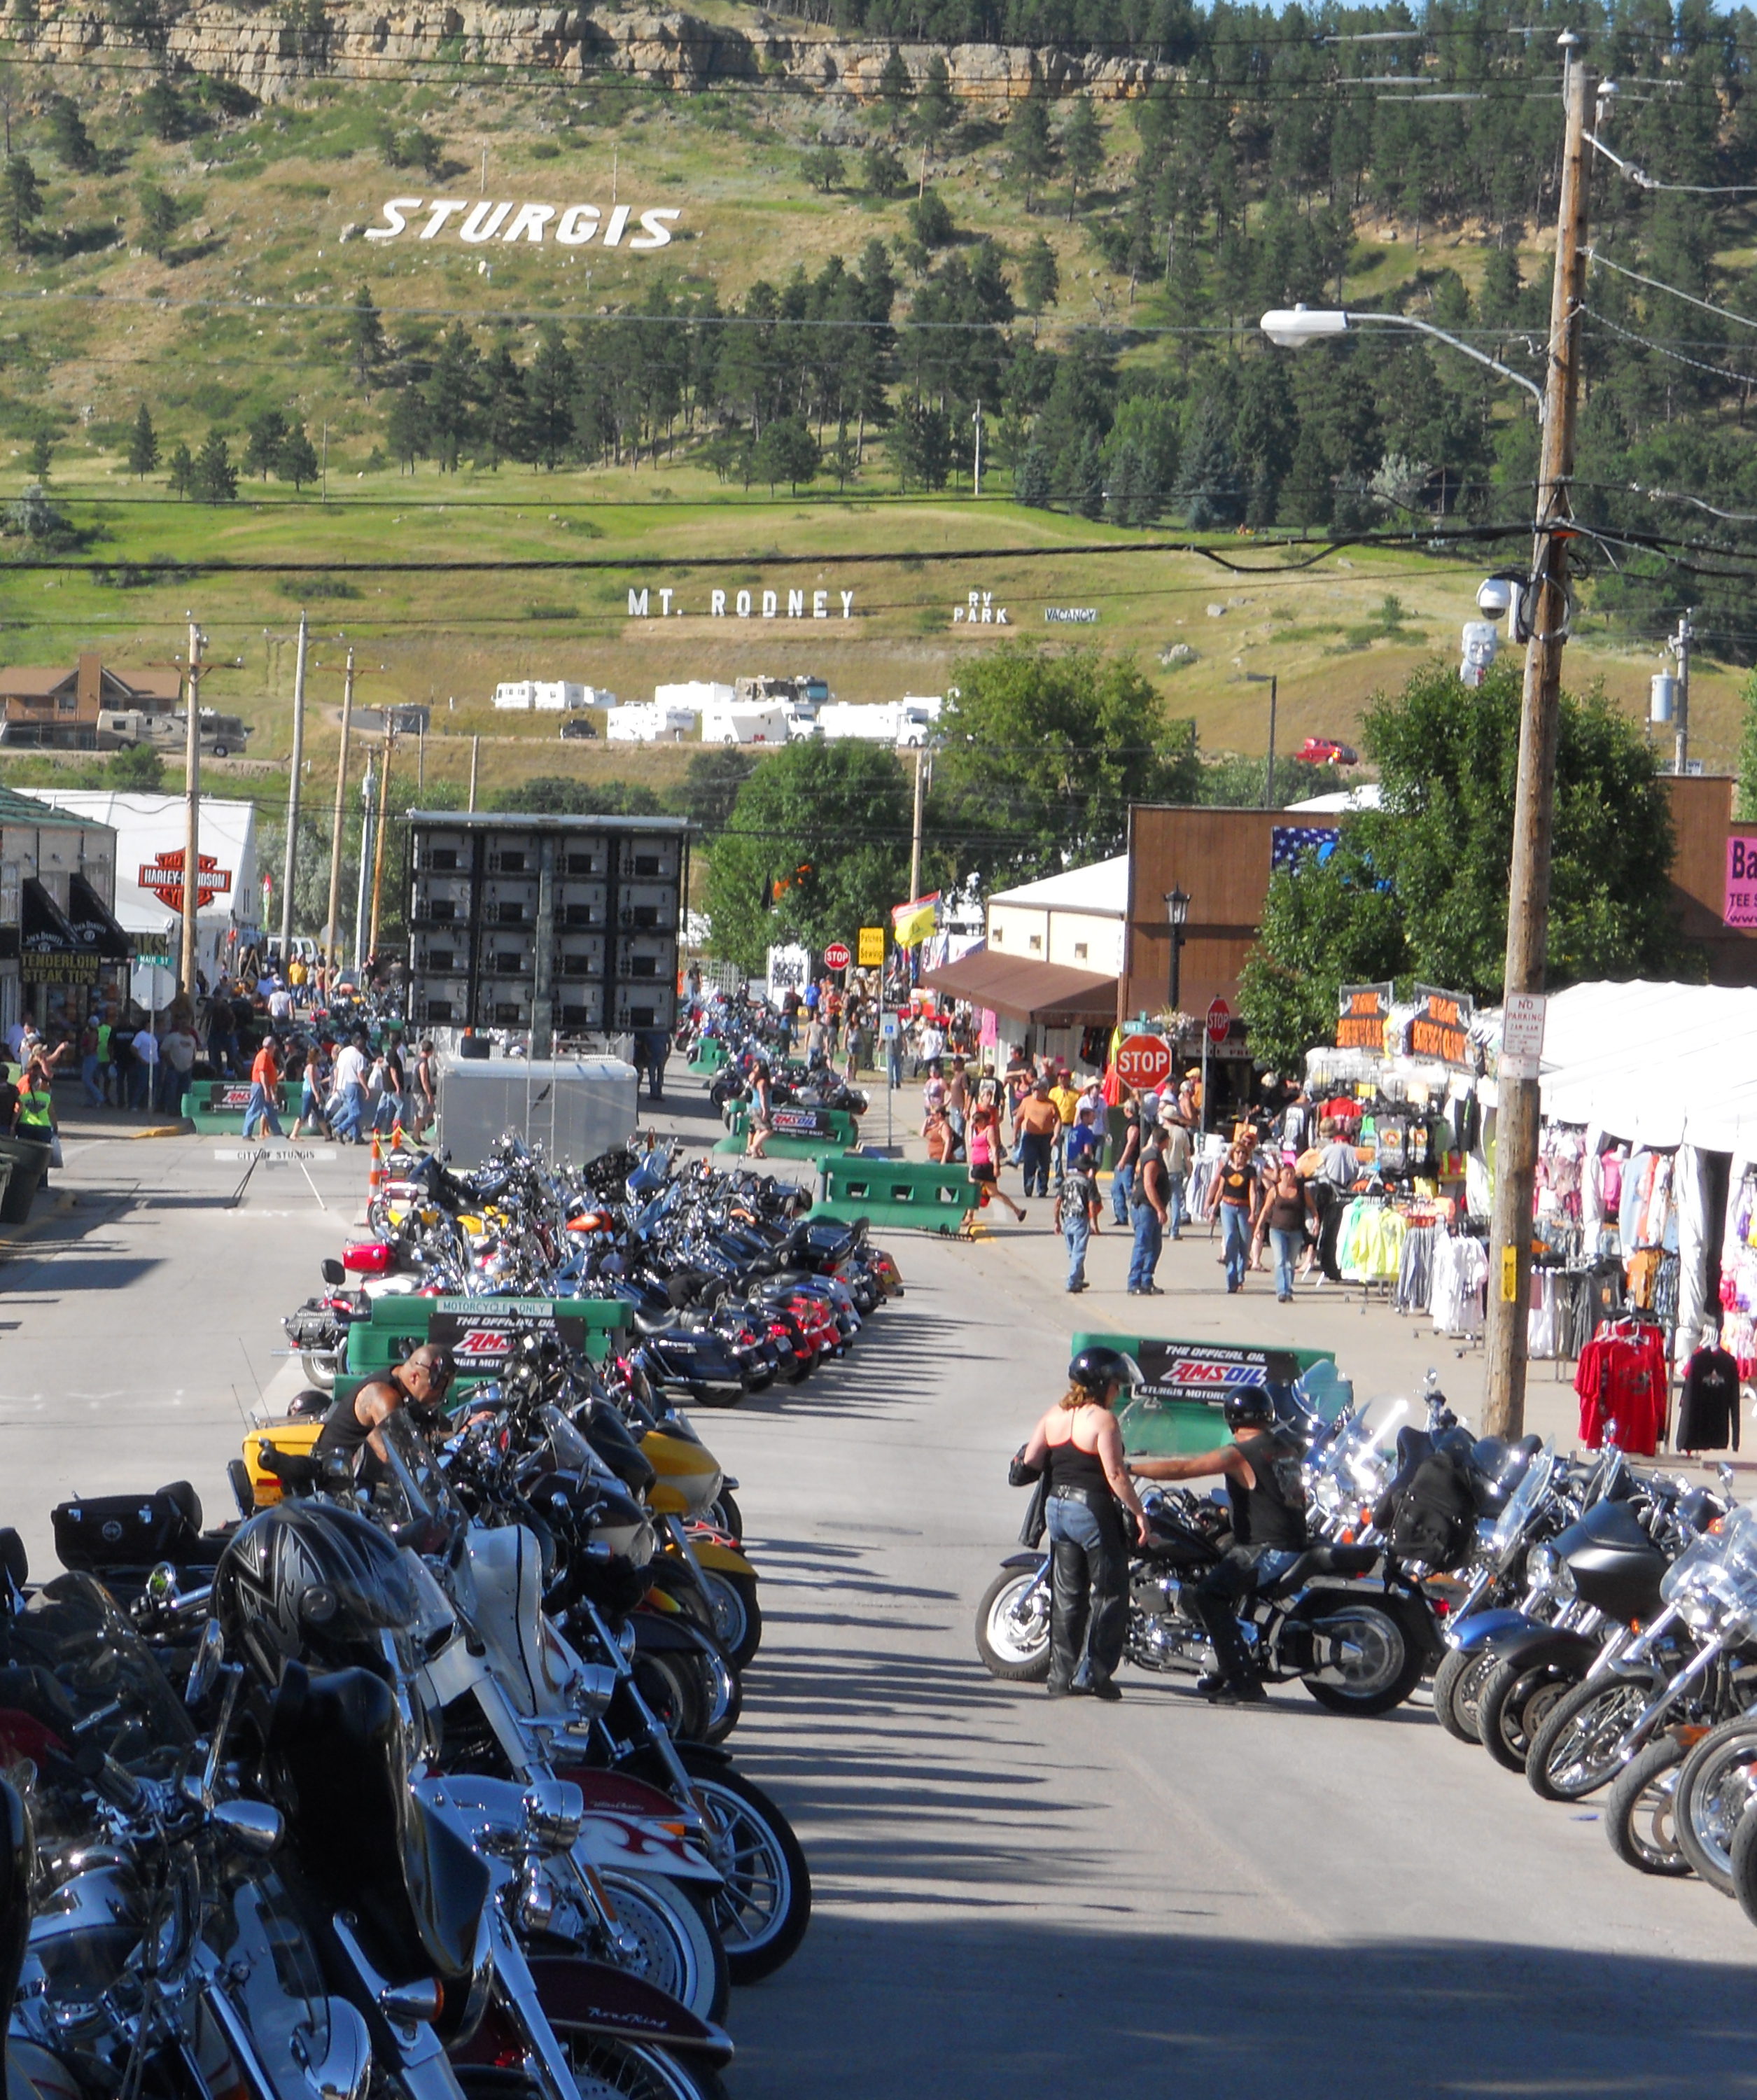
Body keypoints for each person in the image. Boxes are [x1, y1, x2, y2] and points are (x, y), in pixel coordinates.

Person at [1129, 1385, 1308, 1703]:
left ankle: (1244, 1683)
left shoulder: (1241, 1453)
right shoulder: (1283, 1447)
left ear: (1231, 1418)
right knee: (1207, 1567)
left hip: (1269, 1548)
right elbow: (1272, 1495)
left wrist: (1128, 1468)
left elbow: (1185, 1469)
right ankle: (1221, 1666)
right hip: (1283, 1540)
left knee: (1208, 1595)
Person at [1016, 1348, 1149, 1700]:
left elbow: (1030, 1460)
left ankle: (1059, 1677)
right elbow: (1116, 1474)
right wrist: (1138, 1513)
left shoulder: (1054, 1414)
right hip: (1091, 1510)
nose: (1118, 1392)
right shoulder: (1104, 1421)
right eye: (1116, 1385)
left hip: (1056, 1509)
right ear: (1102, 1384)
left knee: (1067, 1596)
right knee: (1110, 1593)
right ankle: (1095, 1674)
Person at [314, 1343, 456, 1489]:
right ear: (415, 1377)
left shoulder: (404, 1387)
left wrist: (461, 1432)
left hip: (360, 1479)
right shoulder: (385, 1398)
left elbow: (435, 1425)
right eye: (438, 1388)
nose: (441, 1394)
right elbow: (396, 1454)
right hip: (335, 1481)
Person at [967, 1078, 1024, 1223]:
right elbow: (970, 1143)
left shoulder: (989, 1130)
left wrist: (996, 1167)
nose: (975, 1123)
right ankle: (1017, 1211)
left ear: (984, 1121)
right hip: (978, 1163)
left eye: (977, 1120)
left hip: (985, 1164)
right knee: (993, 1193)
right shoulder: (977, 1130)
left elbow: (994, 1147)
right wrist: (970, 1127)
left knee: (972, 1190)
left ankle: (969, 1216)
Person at [1208, 1138, 1259, 1294]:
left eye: (1244, 1153)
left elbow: (1253, 1192)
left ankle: (1240, 1275)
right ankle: (1231, 1280)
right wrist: (1213, 1210)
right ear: (1232, 1154)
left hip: (1243, 1208)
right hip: (1228, 1207)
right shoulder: (1226, 1170)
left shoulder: (1250, 1171)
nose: (1241, 1155)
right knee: (1230, 1241)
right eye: (1238, 1152)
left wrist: (1253, 1212)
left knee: (1244, 1243)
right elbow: (1220, 1190)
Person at [1260, 1159, 1314, 1303]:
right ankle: (1282, 1291)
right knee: (1280, 1261)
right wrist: (1259, 1226)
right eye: (1286, 1174)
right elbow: (1266, 1209)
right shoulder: (1274, 1190)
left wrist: (1316, 1221)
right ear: (1281, 1175)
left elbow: (1312, 1208)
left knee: (1290, 1262)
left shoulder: (1303, 1191)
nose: (1289, 1176)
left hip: (1295, 1231)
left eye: (1292, 1174)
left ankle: (1288, 1288)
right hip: (1277, 1230)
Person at [1128, 1130, 1169, 1296]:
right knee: (1143, 1244)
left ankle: (1147, 1279)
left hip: (1150, 1207)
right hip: (1146, 1207)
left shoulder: (1151, 1154)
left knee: (1154, 1245)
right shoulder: (1152, 1158)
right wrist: (1159, 1209)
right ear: (1165, 1141)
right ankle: (1135, 1282)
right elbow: (1148, 1185)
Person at [1058, 1148, 1100, 1292]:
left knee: (1073, 1252)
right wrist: (1094, 1222)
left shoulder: (1066, 1182)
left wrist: (1057, 1221)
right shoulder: (1088, 1183)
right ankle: (1072, 1281)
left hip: (1067, 1218)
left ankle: (1078, 1278)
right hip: (1080, 1219)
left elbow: (1058, 1201)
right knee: (1079, 1252)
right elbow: (1092, 1204)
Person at [1015, 1077, 1059, 1199]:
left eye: (1037, 1090)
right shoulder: (1026, 1101)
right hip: (1029, 1136)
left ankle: (1042, 1188)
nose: (1034, 1092)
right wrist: (1015, 1136)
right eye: (1033, 1089)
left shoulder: (1051, 1104)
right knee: (1030, 1161)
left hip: (1046, 1137)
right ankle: (1028, 1185)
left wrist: (1056, 1135)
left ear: (1045, 1091)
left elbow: (1058, 1120)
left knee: (1044, 1163)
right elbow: (1018, 1118)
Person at [13, 1056, 54, 1170]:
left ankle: (25, 1179)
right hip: (43, 1127)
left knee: (25, 1156)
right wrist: (55, 1127)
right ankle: (42, 1183)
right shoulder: (44, 1094)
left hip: (26, 1124)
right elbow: (52, 1112)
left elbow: (18, 1107)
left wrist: (13, 1125)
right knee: (42, 1157)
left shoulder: (23, 1089)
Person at [243, 1034, 284, 1141]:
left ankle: (278, 1132)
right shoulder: (263, 1056)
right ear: (272, 1046)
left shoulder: (267, 1057)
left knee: (270, 1111)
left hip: (264, 1086)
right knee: (254, 1109)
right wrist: (266, 1090)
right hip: (259, 1086)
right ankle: (246, 1134)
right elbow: (262, 1074)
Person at [1159, 1107, 1192, 1241]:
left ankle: (1157, 1228)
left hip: (1161, 1170)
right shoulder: (1182, 1132)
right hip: (1176, 1170)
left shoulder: (1160, 1131)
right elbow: (1187, 1155)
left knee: (1160, 1202)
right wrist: (1190, 1172)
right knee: (1176, 1202)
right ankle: (1174, 1231)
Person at [158, 1015, 199, 1115]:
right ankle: (170, 1110)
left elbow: (194, 1052)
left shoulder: (192, 1039)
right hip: (173, 1068)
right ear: (180, 1027)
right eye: (185, 1027)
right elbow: (164, 1051)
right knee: (171, 1090)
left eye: (189, 1028)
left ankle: (181, 1110)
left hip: (187, 1069)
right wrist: (171, 1063)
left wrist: (192, 1062)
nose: (188, 1029)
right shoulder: (172, 1037)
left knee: (184, 1091)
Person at [1111, 1099, 1142, 1226]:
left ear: (1128, 1110)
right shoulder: (1130, 1123)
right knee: (1116, 1189)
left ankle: (1140, 1215)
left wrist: (1123, 1160)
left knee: (1129, 1190)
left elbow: (1131, 1143)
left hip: (1127, 1162)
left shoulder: (1134, 1124)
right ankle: (1121, 1217)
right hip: (1122, 1162)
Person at [745, 1059, 774, 1159]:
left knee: (760, 1130)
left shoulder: (754, 1078)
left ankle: (756, 1151)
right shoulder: (762, 1082)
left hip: (754, 1106)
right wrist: (765, 1110)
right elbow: (762, 1096)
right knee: (768, 1130)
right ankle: (754, 1147)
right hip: (759, 1108)